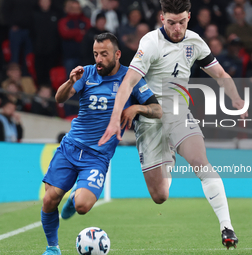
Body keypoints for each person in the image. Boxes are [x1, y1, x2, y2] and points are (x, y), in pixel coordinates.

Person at [99, 0, 248, 249]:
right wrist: (115, 119)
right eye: (171, 22)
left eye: (181, 22)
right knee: (160, 196)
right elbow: (127, 83)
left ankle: (226, 226)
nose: (177, 28)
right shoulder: (150, 43)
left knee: (201, 162)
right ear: (161, 18)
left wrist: (236, 99)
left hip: (179, 113)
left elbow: (221, 74)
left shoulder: (195, 42)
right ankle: (167, 153)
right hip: (149, 118)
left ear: (189, 17)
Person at [41, 32, 162, 255]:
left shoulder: (131, 79)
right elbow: (59, 99)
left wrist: (136, 108)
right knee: (49, 200)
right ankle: (52, 248)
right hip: (70, 148)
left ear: (117, 54)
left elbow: (157, 110)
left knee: (82, 207)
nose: (98, 59)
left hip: (96, 157)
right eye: (96, 54)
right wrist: (70, 82)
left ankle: (77, 194)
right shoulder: (86, 74)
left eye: (104, 54)